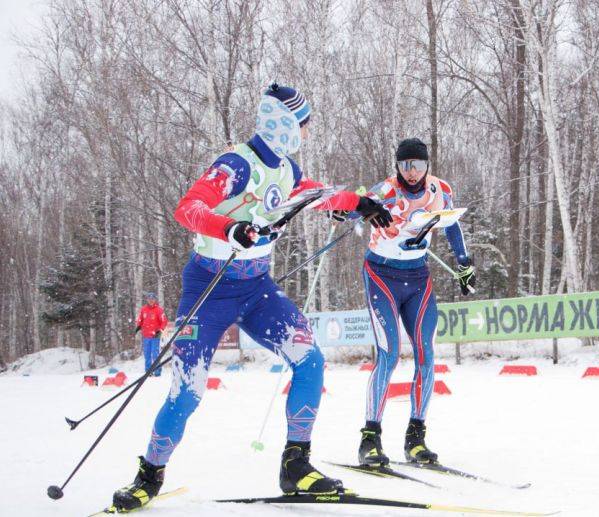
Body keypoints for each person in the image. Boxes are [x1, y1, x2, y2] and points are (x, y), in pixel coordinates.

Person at [110, 83, 393, 512]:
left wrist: (362, 203)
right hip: (208, 289)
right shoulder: (235, 164)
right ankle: (148, 476)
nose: (306, 132)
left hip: (257, 289)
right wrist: (230, 228)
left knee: (309, 359)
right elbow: (188, 208)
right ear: (285, 124)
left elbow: (317, 194)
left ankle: (296, 465)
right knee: (187, 392)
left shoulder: (286, 169)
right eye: (303, 124)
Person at [354, 138, 476, 467]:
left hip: (418, 279)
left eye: (418, 165)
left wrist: (464, 264)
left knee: (426, 356)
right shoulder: (388, 189)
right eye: (405, 165)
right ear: (397, 166)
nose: (411, 173)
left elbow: (452, 226)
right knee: (389, 355)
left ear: (427, 166)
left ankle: (416, 439)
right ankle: (370, 438)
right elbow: (357, 206)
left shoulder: (440, 190)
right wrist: (360, 208)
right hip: (381, 276)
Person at [134, 292, 168, 377]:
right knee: (147, 354)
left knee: (155, 354)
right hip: (146, 336)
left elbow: (164, 321)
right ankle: (148, 372)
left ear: (155, 300)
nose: (151, 301)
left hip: (155, 335)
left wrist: (160, 330)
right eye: (149, 299)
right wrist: (138, 326)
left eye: (152, 299)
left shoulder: (159, 310)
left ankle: (157, 371)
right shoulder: (143, 309)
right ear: (147, 300)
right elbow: (140, 319)